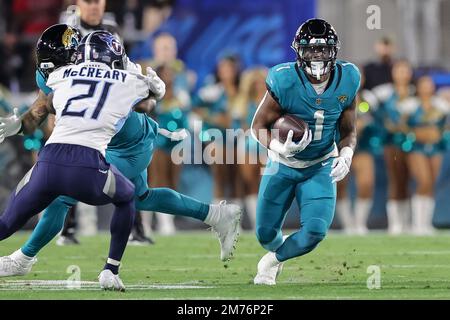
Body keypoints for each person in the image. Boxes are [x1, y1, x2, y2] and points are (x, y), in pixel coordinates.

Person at [0, 27, 241, 282]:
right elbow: (41, 107)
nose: (50, 74)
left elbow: (145, 104)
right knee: (141, 197)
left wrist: (155, 93)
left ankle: (24, 258)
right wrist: (20, 125)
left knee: (63, 195)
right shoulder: (57, 72)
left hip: (129, 141)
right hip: (104, 140)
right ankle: (216, 215)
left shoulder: (119, 68)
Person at [0, 30, 157, 291]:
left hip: (48, 161)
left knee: (6, 223)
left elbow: (42, 108)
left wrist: (19, 124)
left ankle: (24, 257)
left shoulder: (61, 75)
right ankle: (110, 269)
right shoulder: (127, 79)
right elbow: (146, 105)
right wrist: (155, 91)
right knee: (127, 195)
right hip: (88, 163)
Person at [250, 19, 360, 285]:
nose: (317, 55)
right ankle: (275, 249)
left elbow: (348, 131)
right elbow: (257, 126)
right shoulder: (284, 78)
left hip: (320, 163)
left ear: (334, 50)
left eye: (323, 49)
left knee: (314, 232)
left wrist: (346, 155)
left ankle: (272, 261)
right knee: (265, 235)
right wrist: (279, 147)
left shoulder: (348, 78)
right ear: (299, 51)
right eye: (311, 49)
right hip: (281, 164)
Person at [374, 59, 415, 234]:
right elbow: (365, 104)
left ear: (410, 73)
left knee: (408, 179)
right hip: (390, 141)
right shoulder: (384, 92)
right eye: (399, 70)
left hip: (413, 142)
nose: (402, 74)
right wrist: (383, 123)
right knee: (395, 178)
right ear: (393, 73)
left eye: (405, 70)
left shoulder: (415, 92)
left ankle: (407, 221)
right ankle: (395, 223)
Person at [406, 76, 450, 234]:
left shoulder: (441, 105)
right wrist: (416, 133)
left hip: (436, 147)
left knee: (432, 183)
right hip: (417, 147)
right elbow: (402, 126)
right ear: (418, 87)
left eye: (429, 84)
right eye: (423, 84)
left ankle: (426, 223)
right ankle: (417, 223)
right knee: (423, 181)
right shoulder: (410, 105)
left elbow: (445, 125)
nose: (426, 87)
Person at [235, 67, 268, 228]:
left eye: (262, 83)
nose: (259, 86)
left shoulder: (273, 101)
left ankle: (265, 220)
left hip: (269, 144)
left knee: (267, 182)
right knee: (250, 182)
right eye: (255, 83)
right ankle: (257, 221)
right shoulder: (244, 103)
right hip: (248, 143)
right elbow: (237, 124)